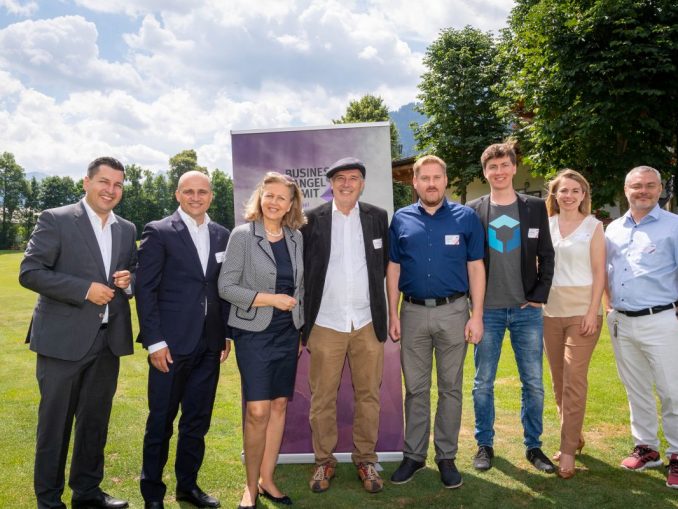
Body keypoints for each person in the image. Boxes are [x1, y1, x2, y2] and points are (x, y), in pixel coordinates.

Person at [19, 157, 137, 509]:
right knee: (54, 426)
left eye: (118, 184)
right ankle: (49, 499)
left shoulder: (127, 228)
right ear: (86, 182)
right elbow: (30, 272)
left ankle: (87, 492)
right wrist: (83, 289)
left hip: (107, 341)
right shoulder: (56, 219)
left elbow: (132, 271)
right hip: (61, 342)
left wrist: (130, 281)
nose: (110, 190)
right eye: (104, 181)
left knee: (94, 423)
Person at [387, 155, 485, 489]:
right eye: (424, 178)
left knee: (450, 388)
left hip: (454, 311)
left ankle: (446, 457)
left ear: (446, 180)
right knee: (415, 389)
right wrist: (392, 312)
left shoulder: (466, 218)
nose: (431, 183)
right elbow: (393, 269)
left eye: (437, 177)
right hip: (411, 312)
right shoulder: (400, 219)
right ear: (414, 182)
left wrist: (477, 315)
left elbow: (476, 268)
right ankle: (413, 456)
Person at [136, 171, 231, 509]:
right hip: (170, 347)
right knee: (160, 422)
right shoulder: (158, 231)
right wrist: (155, 342)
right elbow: (144, 289)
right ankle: (152, 494)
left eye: (202, 191)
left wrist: (224, 335)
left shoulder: (222, 234)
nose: (196, 197)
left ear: (211, 195)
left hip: (208, 345)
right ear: (178, 194)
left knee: (196, 421)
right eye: (189, 191)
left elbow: (221, 289)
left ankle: (187, 487)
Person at [301, 157, 389, 494]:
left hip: (367, 321)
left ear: (362, 183)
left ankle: (366, 460)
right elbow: (303, 273)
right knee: (322, 398)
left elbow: (386, 267)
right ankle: (324, 463)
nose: (347, 183)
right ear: (331, 184)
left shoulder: (378, 218)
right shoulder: (312, 219)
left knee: (368, 396)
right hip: (326, 322)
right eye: (340, 178)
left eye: (353, 178)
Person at [467, 142, 556, 473]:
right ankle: (484, 445)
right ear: (485, 172)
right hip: (486, 311)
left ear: (514, 168)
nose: (499, 172)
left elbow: (547, 255)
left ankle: (534, 447)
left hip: (526, 311)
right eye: (493, 167)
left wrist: (539, 294)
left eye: (505, 165)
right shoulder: (473, 210)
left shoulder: (534, 208)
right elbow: (467, 260)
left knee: (533, 381)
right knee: (482, 383)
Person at [219, 172, 305, 509]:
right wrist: (270, 299)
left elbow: (301, 288)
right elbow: (226, 287)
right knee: (256, 411)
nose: (274, 202)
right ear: (260, 197)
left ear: (289, 205)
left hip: (287, 332)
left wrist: (299, 326)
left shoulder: (296, 238)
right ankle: (249, 488)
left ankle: (267, 479)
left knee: (280, 405)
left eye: (281, 198)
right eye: (268, 195)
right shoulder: (242, 236)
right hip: (253, 333)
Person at [605, 165, 678, 489]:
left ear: (660, 189)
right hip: (622, 320)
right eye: (636, 186)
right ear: (626, 190)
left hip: (662, 319)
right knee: (636, 389)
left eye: (650, 185)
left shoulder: (673, 227)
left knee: (672, 392)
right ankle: (647, 448)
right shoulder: (613, 230)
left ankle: (677, 454)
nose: (643, 191)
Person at [542, 169, 605, 479]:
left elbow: (599, 272)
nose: (568, 195)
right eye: (563, 190)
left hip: (583, 312)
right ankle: (575, 437)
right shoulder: (546, 225)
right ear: (554, 194)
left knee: (574, 380)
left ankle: (567, 451)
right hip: (550, 313)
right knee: (558, 382)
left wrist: (594, 311)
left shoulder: (593, 227)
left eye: (575, 191)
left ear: (583, 195)